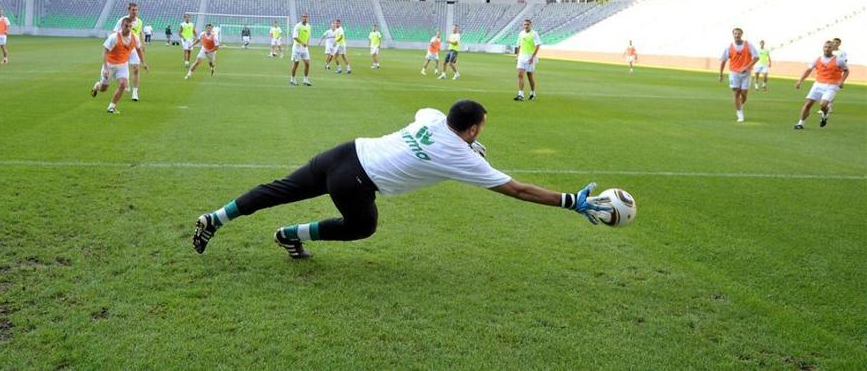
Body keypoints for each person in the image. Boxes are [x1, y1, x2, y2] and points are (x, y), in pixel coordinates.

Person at [192, 99, 613, 258]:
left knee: (278, 189)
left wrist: (464, 143)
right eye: (480, 128)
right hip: (356, 179)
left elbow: (426, 114)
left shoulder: (433, 118)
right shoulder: (459, 154)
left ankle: (216, 217)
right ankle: (290, 234)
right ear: (472, 130)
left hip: (343, 151)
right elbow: (516, 189)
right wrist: (568, 201)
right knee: (363, 227)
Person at [90, 16, 147, 114]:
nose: (128, 28)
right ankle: (96, 86)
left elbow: (138, 49)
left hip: (122, 65)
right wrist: (105, 69)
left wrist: (143, 62)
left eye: (130, 27)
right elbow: (105, 52)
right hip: (110, 64)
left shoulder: (134, 37)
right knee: (104, 88)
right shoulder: (114, 37)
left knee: (123, 84)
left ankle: (111, 107)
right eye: (126, 26)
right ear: (121, 26)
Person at [793, 40, 849, 129]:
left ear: (833, 49)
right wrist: (800, 81)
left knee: (823, 104)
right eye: (825, 47)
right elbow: (808, 70)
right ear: (823, 48)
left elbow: (846, 71)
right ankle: (800, 123)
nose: (827, 49)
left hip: (831, 85)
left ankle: (825, 114)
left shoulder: (839, 60)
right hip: (818, 84)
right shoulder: (817, 59)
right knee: (808, 104)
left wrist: (842, 81)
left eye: (829, 47)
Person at [718, 27, 758, 123]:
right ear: (733, 35)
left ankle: (740, 104)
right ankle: (740, 114)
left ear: (741, 35)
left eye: (739, 33)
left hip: (746, 73)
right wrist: (721, 74)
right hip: (734, 73)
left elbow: (756, 57)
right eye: (735, 33)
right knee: (736, 93)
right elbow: (723, 60)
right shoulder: (729, 47)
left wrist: (747, 67)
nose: (737, 35)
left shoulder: (748, 45)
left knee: (744, 94)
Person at [113, 2, 147, 102]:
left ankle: (135, 92)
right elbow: (115, 32)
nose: (135, 12)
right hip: (123, 48)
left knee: (136, 68)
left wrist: (143, 44)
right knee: (121, 68)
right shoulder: (122, 20)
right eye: (133, 10)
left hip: (134, 48)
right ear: (128, 10)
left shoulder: (139, 21)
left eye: (136, 10)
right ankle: (125, 82)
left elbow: (140, 32)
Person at [515, 19, 541, 100]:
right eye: (525, 24)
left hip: (530, 56)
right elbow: (518, 45)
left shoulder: (534, 34)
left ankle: (533, 93)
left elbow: (537, 46)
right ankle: (520, 94)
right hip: (522, 56)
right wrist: (517, 56)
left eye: (527, 24)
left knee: (530, 76)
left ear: (531, 25)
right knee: (520, 74)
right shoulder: (521, 33)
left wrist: (532, 57)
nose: (526, 26)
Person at [290, 13, 313, 86]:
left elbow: (308, 36)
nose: (305, 18)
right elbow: (295, 37)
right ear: (301, 18)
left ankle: (305, 80)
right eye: (303, 17)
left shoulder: (309, 26)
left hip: (304, 48)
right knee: (296, 64)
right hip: (297, 47)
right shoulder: (298, 26)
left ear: (308, 18)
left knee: (307, 63)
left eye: (306, 17)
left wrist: (307, 43)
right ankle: (292, 79)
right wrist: (303, 43)